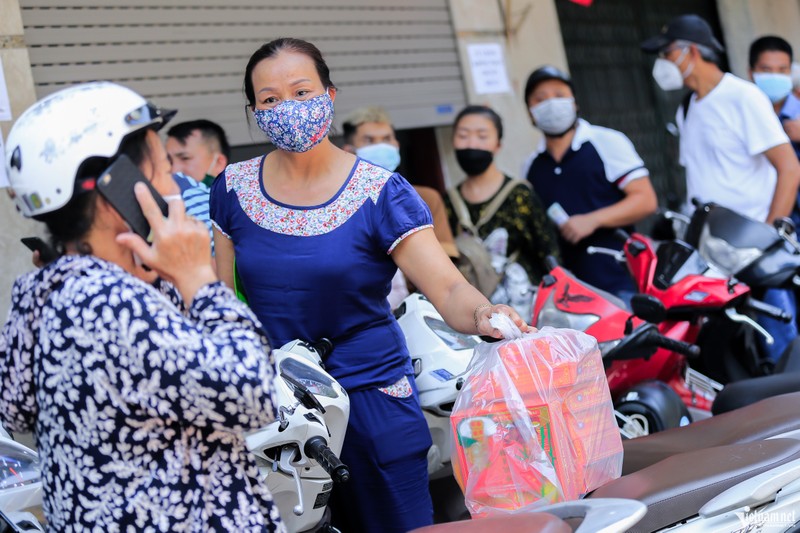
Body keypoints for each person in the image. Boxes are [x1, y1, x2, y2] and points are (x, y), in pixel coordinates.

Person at [209, 38, 530, 532]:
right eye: (269, 99)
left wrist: (485, 313)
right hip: (278, 410)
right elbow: (222, 302)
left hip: (372, 397)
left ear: (330, 94)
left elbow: (445, 288)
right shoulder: (232, 189)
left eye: (301, 91)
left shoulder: (380, 192)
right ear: (253, 110)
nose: (286, 108)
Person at [0, 82, 283, 531]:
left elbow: (14, 408)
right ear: (119, 186)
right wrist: (198, 278)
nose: (174, 183)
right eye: (164, 167)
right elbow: (256, 396)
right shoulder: (111, 303)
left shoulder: (44, 289)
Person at [642, 15, 800, 364]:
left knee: (781, 347)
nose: (663, 64)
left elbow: (789, 167)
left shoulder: (743, 96)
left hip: (753, 255)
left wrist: (768, 239)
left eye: (666, 54)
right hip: (713, 258)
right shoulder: (689, 106)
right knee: (734, 353)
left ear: (690, 52)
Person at [521, 66, 658, 298]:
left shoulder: (606, 142)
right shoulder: (531, 166)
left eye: (559, 95)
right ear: (530, 113)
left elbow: (646, 200)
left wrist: (593, 220)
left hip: (619, 282)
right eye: (540, 99)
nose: (551, 104)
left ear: (574, 103)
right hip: (567, 294)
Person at [443, 104, 560, 315]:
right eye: (463, 135)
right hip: (472, 315)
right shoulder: (447, 201)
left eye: (482, 136)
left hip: (523, 311)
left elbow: (550, 255)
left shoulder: (520, 194)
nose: (471, 144)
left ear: (498, 144)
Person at [341, 105, 459, 307]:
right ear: (349, 151)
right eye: (369, 140)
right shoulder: (341, 208)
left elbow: (446, 262)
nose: (381, 146)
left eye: (387, 139)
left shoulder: (424, 198)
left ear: (397, 144)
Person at [748, 36, 800, 226]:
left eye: (782, 70)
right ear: (751, 72)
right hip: (761, 218)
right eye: (766, 70)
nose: (775, 76)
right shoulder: (746, 117)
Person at [166, 119, 231, 187]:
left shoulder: (237, 197)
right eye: (168, 160)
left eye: (185, 158)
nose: (173, 170)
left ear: (219, 163)